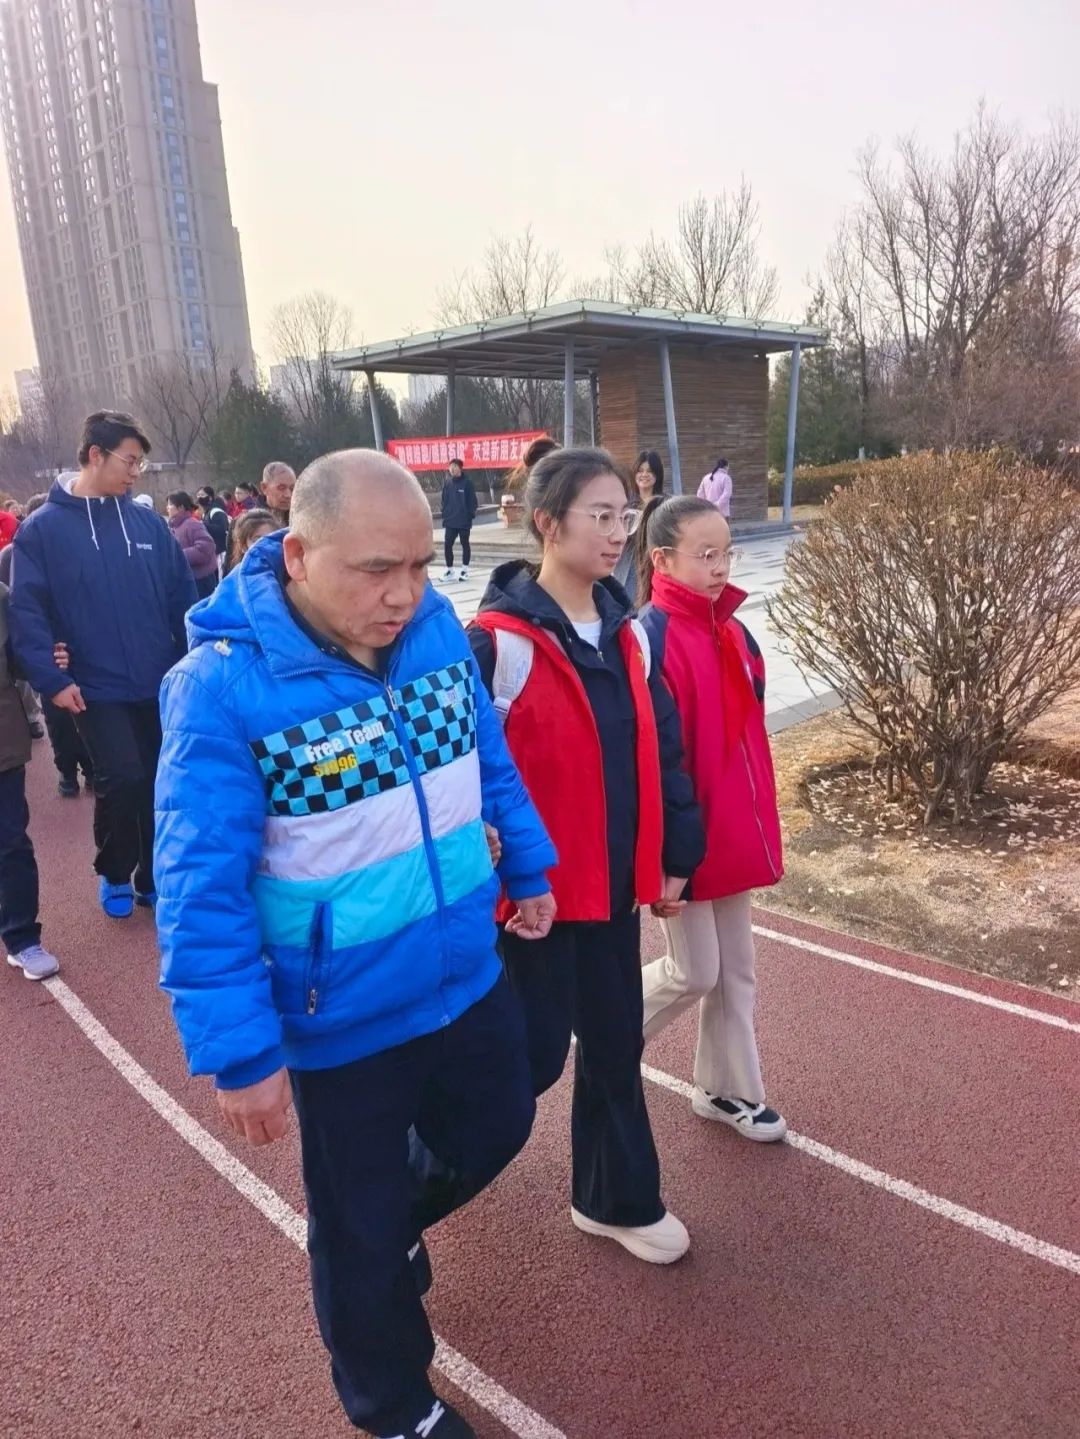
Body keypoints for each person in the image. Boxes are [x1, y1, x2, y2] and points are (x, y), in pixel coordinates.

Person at [155, 448, 557, 1439]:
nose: (404, 592)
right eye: (377, 569)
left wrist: (528, 865)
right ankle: (392, 1401)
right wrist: (240, 1052)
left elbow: (488, 760)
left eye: (418, 565)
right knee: (359, 1224)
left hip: (464, 969)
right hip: (340, 1018)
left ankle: (380, 1231)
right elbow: (199, 884)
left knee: (501, 1118)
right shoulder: (220, 689)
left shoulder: (436, 633)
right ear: (297, 555)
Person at [470, 445, 705, 1265]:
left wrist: (676, 851)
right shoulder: (494, 644)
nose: (617, 532)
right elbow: (462, 772)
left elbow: (663, 748)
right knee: (527, 1060)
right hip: (531, 897)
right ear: (547, 523)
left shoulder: (630, 635)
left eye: (623, 516)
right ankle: (404, 1186)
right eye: (599, 515)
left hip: (612, 891)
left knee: (614, 1045)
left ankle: (615, 1197)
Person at [635, 495, 786, 1140]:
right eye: (705, 554)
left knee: (736, 972)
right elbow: (656, 759)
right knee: (695, 970)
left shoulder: (734, 632)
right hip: (687, 837)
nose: (721, 566)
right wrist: (671, 852)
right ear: (662, 559)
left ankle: (728, 1090)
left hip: (732, 829)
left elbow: (749, 741)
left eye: (726, 553)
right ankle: (610, 1029)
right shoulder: (649, 638)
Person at [10, 410, 196, 919]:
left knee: (160, 780)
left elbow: (182, 597)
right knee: (123, 777)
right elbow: (27, 609)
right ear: (96, 455)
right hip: (93, 686)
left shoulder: (148, 524)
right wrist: (51, 678)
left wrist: (193, 662)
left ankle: (152, 876)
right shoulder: (43, 531)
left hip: (158, 679)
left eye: (140, 463)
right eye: (129, 461)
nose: (136, 472)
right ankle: (115, 869)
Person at [0, 577, 60, 981]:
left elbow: (21, 658)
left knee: (11, 842)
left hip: (3, 741)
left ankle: (22, 938)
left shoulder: (2, 597)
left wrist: (51, 658)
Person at [613, 450, 665, 602]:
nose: (644, 475)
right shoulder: (625, 502)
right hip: (628, 561)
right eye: (640, 470)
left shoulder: (664, 503)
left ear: (657, 475)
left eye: (649, 471)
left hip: (653, 560)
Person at [166, 491, 219, 599]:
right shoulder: (175, 526)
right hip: (188, 580)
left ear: (181, 507)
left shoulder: (192, 524)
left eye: (170, 504)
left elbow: (206, 548)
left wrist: (178, 555)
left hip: (201, 581)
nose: (167, 508)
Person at [438, 458, 478, 583]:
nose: (452, 469)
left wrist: (469, 515)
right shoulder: (447, 483)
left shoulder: (467, 483)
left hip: (464, 520)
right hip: (450, 520)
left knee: (464, 543)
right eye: (451, 467)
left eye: (455, 467)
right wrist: (444, 513)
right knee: (447, 544)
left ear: (460, 468)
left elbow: (473, 502)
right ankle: (450, 571)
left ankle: (464, 570)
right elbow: (444, 500)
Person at [224, 510, 276, 575]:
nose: (265, 544)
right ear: (243, 546)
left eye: (270, 538)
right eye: (257, 540)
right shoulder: (236, 578)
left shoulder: (284, 572)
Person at [196, 485, 230, 566]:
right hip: (213, 552)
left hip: (221, 551)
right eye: (198, 495)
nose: (199, 497)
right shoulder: (205, 513)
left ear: (210, 497)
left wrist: (204, 525)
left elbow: (222, 529)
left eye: (202, 495)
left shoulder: (216, 511)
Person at [259, 461, 296, 526]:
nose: (288, 495)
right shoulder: (253, 522)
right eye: (281, 488)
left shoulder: (300, 517)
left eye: (292, 489)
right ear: (264, 488)